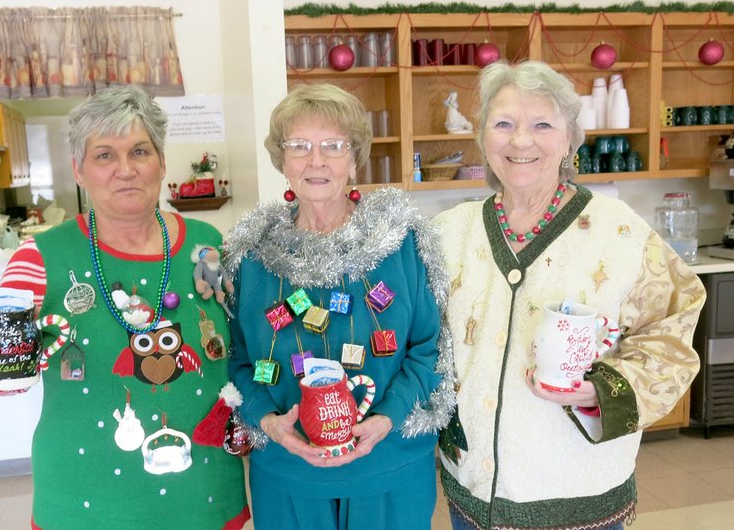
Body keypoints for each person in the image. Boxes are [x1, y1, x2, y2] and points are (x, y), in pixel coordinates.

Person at [0, 86, 250, 529]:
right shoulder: (39, 258)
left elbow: (240, 353)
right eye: (104, 156)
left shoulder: (208, 245)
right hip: (86, 499)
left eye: (139, 151)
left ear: (162, 162)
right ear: (79, 170)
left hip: (202, 491)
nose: (126, 170)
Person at [432, 61, 705, 530]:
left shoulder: (618, 232)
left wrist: (598, 390)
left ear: (568, 140)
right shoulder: (447, 233)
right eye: (503, 124)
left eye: (542, 124)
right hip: (473, 492)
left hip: (578, 491)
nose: (521, 141)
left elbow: (672, 328)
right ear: (483, 139)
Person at [225, 83, 455, 530]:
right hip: (288, 473)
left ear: (354, 158)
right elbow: (236, 360)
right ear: (282, 160)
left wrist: (386, 419)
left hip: (388, 466)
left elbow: (430, 349)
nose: (317, 160)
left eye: (333, 145)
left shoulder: (401, 243)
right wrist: (269, 423)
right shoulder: (252, 254)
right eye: (300, 146)